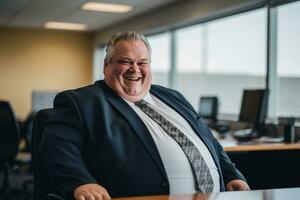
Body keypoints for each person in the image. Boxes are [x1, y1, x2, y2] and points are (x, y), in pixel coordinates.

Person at [40, 31, 249, 200]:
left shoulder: (173, 97)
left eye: (142, 62)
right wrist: (80, 182)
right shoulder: (82, 101)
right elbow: (58, 146)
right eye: (125, 61)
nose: (135, 69)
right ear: (106, 65)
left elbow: (209, 140)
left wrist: (231, 173)